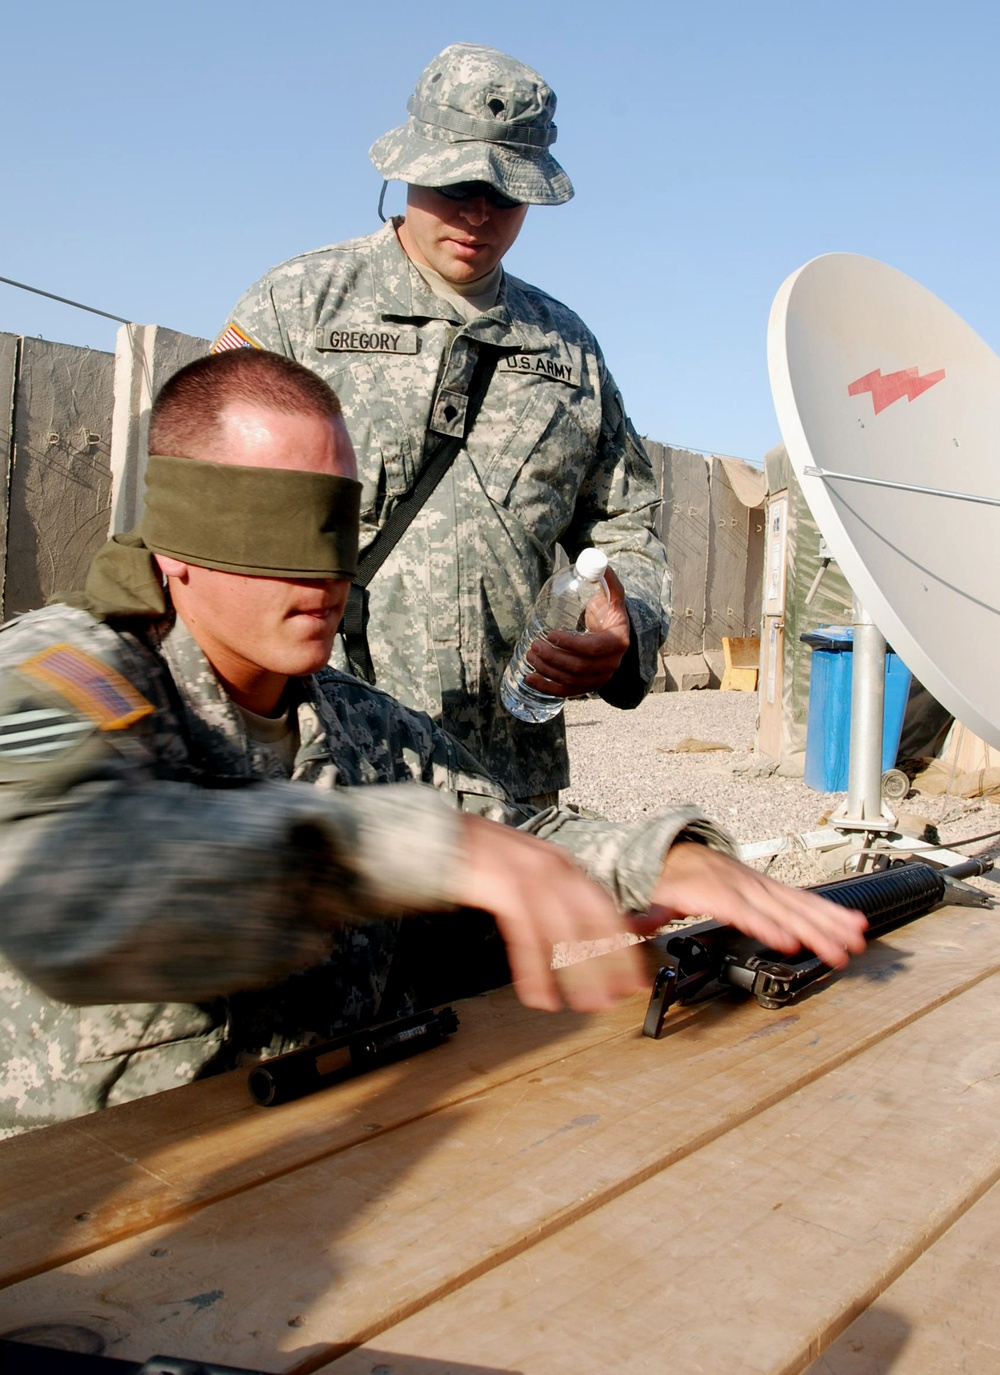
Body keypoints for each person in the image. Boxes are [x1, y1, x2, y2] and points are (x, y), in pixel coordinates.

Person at [0, 351, 866, 1136]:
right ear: (178, 538)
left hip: (344, 1161)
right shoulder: (63, 675)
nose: (321, 574)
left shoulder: (351, 720)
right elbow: (56, 888)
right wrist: (404, 848)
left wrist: (664, 860)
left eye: (337, 527)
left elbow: (510, 833)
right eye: (274, 527)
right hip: (101, 1216)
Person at [214, 42, 672, 805]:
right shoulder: (299, 309)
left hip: (506, 779)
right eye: (457, 182)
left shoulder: (568, 349)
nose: (478, 212)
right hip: (327, 766)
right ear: (409, 168)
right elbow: (209, 510)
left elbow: (628, 522)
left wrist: (626, 632)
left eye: (507, 193)